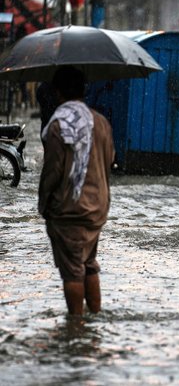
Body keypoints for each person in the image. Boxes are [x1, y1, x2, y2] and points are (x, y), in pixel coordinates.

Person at [38, 66, 115, 316]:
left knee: (72, 270)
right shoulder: (100, 121)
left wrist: (44, 204)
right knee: (89, 263)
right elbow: (109, 159)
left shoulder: (60, 125)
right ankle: (94, 317)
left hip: (70, 208)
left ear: (57, 92)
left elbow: (52, 172)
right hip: (98, 206)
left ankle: (76, 327)